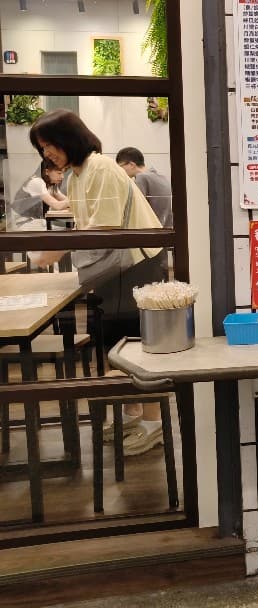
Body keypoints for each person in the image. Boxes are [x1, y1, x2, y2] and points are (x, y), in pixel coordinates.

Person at [31, 110, 167, 456]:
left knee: (136, 345)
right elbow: (85, 221)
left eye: (50, 144)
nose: (47, 153)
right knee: (116, 346)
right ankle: (133, 416)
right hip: (117, 267)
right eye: (42, 148)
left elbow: (104, 228)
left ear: (70, 138)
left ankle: (153, 424)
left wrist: (55, 247)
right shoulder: (77, 176)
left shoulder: (101, 167)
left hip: (136, 263)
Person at [115, 147, 173, 228]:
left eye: (120, 167)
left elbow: (134, 208)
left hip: (151, 229)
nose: (120, 171)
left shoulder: (141, 178)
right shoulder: (161, 177)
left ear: (131, 165)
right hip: (165, 229)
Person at [10, 160, 68, 230]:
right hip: (24, 223)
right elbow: (57, 205)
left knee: (66, 230)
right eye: (59, 173)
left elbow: (65, 200)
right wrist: (75, 201)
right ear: (47, 172)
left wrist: (74, 202)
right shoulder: (37, 182)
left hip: (36, 222)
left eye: (63, 173)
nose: (62, 177)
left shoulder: (51, 184)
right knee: (65, 231)